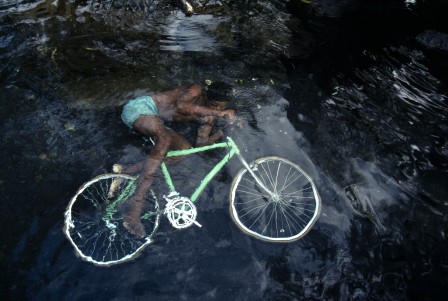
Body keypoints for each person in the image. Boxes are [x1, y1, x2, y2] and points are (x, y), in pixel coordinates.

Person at [115, 83, 235, 237]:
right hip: (140, 109)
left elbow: (200, 143)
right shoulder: (196, 90)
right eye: (214, 105)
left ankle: (124, 171)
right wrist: (218, 113)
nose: (217, 109)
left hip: (156, 122)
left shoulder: (210, 115)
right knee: (164, 140)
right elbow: (180, 106)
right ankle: (135, 208)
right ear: (206, 95)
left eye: (220, 107)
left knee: (184, 150)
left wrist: (220, 132)